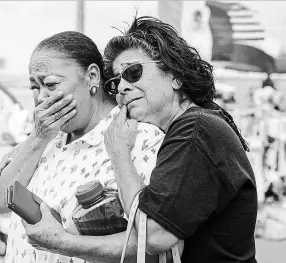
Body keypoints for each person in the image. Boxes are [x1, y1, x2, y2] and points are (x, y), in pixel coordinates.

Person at [0, 31, 166, 263]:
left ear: (92, 77)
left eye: (51, 84)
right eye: (34, 87)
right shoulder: (42, 141)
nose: (41, 97)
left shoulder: (139, 138)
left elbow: (151, 245)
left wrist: (62, 242)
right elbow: (3, 203)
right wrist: (37, 138)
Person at [102, 16, 258, 262]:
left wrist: (119, 152)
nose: (122, 87)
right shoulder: (202, 121)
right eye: (114, 82)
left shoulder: (196, 129)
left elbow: (153, 235)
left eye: (133, 72)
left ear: (176, 76)